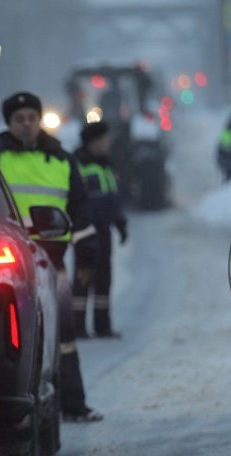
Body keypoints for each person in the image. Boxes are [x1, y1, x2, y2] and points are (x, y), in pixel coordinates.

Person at [0, 92, 103, 422]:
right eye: (19, 119)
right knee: (13, 336)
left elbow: (80, 206)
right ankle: (13, 405)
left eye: (32, 117)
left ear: (39, 119)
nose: (27, 124)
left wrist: (87, 246)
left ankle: (73, 403)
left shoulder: (61, 159)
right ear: (9, 123)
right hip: (7, 263)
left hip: (52, 259)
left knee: (65, 334)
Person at [72, 121, 127, 339]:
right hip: (85, 230)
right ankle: (78, 326)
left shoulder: (105, 165)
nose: (108, 143)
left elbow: (112, 198)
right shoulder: (79, 165)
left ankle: (102, 325)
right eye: (104, 139)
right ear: (93, 142)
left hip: (103, 229)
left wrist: (120, 222)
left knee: (104, 277)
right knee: (84, 275)